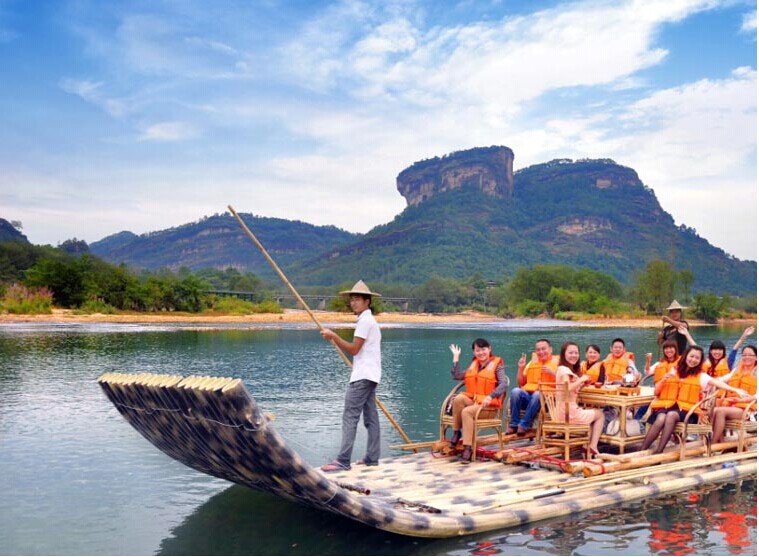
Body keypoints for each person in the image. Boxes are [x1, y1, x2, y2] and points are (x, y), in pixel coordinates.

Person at [319, 280, 382, 472]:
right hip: (370, 375)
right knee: (371, 417)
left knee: (350, 417)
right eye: (352, 299)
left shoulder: (365, 321)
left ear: (367, 302)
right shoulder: (369, 321)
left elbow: (354, 349)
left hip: (362, 377)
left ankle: (343, 460)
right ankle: (372, 458)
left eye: (357, 299)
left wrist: (334, 337)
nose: (353, 303)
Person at [639, 346, 747, 454]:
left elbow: (717, 382)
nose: (693, 360)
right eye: (691, 356)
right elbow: (656, 392)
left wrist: (734, 389)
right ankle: (642, 451)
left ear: (700, 361)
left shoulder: (701, 376)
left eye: (697, 358)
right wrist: (664, 379)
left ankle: (659, 451)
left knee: (671, 415)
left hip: (688, 412)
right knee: (661, 418)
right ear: (686, 356)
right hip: (668, 406)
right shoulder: (674, 370)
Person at [448, 338, 509, 462]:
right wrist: (456, 357)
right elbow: (457, 375)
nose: (481, 353)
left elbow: (504, 384)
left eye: (483, 350)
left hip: (489, 408)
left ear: (489, 349)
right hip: (476, 403)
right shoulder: (474, 364)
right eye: (477, 350)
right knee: (458, 399)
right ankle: (456, 432)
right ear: (474, 352)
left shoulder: (497, 366)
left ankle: (468, 448)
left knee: (466, 412)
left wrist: (490, 396)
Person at [555, 342, 605, 456]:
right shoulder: (563, 369)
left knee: (591, 414)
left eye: (576, 353)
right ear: (564, 354)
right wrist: (582, 379)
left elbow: (571, 390)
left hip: (563, 412)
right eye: (570, 353)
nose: (574, 355)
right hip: (568, 414)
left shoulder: (565, 369)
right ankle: (593, 446)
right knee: (600, 415)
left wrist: (582, 384)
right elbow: (567, 389)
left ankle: (586, 446)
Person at [507, 339, 558, 435]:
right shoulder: (531, 363)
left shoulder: (558, 363)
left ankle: (524, 425)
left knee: (538, 394)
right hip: (530, 398)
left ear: (550, 349)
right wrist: (521, 368)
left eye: (544, 349)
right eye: (538, 350)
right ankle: (514, 425)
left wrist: (554, 373)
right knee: (515, 391)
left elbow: (565, 382)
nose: (541, 352)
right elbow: (521, 382)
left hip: (548, 402)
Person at [712, 345, 757, 444]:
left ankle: (713, 444)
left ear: (756, 357)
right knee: (713, 410)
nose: (746, 357)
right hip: (731, 404)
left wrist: (749, 398)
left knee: (720, 411)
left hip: (747, 409)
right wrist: (708, 380)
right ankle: (721, 443)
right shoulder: (737, 369)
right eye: (744, 355)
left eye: (750, 355)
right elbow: (723, 379)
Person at [634, 339, 680, 419]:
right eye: (666, 348)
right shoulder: (660, 363)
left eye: (671, 348)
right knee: (646, 403)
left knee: (650, 402)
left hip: (673, 394)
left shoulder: (681, 363)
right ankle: (637, 420)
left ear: (676, 349)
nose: (668, 350)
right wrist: (648, 360)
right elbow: (647, 372)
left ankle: (641, 420)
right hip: (659, 391)